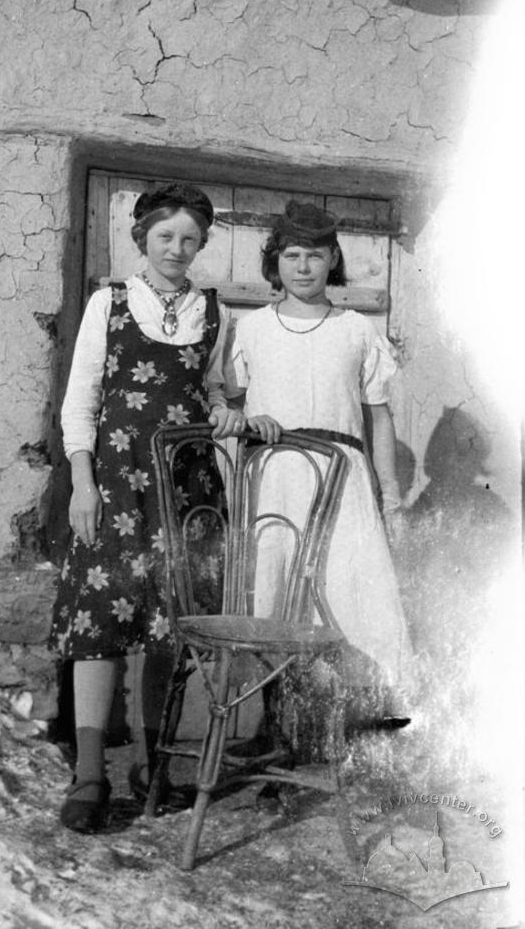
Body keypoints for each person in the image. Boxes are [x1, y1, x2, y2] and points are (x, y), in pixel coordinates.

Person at [51, 182, 243, 833]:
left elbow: (212, 389)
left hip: (187, 487)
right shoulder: (108, 304)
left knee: (172, 623)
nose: (177, 249)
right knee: (101, 620)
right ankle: (89, 774)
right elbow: (80, 402)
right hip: (115, 481)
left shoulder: (214, 312)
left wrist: (222, 410)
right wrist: (82, 483)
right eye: (165, 237)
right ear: (142, 239)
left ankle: (152, 767)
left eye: (190, 239)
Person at [230, 201, 413, 725]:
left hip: (344, 480)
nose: (304, 267)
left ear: (332, 260)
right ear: (276, 261)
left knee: (352, 590)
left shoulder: (355, 330)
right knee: (275, 588)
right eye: (292, 255)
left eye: (315, 255)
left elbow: (379, 418)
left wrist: (391, 495)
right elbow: (228, 405)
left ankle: (354, 719)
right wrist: (246, 423)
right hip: (277, 476)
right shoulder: (252, 329)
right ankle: (275, 724)